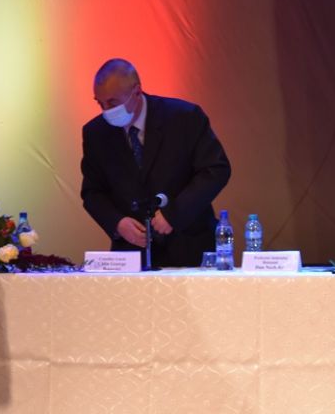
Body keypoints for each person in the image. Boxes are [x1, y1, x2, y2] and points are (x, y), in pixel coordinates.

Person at [80, 58, 231, 267]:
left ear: (137, 91)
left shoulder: (184, 117)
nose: (107, 111)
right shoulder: (96, 133)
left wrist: (175, 214)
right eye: (100, 103)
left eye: (113, 103)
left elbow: (216, 170)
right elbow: (92, 192)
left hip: (190, 247)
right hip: (132, 255)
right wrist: (117, 223)